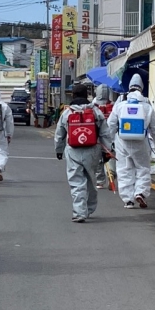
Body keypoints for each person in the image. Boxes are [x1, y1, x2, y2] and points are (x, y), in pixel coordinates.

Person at [54, 84, 112, 223]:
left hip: (73, 150)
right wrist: (107, 151)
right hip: (92, 150)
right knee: (91, 180)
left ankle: (79, 212)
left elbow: (59, 134)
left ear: (73, 96)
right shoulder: (95, 112)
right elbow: (105, 133)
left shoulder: (67, 113)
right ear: (87, 95)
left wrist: (59, 150)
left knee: (76, 182)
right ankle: (89, 208)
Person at [107, 74, 155, 209]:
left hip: (122, 142)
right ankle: (141, 193)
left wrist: (108, 143)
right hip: (141, 142)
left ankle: (128, 200)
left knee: (124, 170)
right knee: (143, 168)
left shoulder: (120, 104)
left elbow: (111, 125)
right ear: (141, 88)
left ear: (130, 87)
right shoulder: (147, 105)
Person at [92, 84, 113, 189]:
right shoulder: (113, 105)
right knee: (110, 158)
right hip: (111, 137)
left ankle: (100, 181)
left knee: (98, 159)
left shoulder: (94, 106)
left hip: (96, 137)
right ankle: (111, 177)